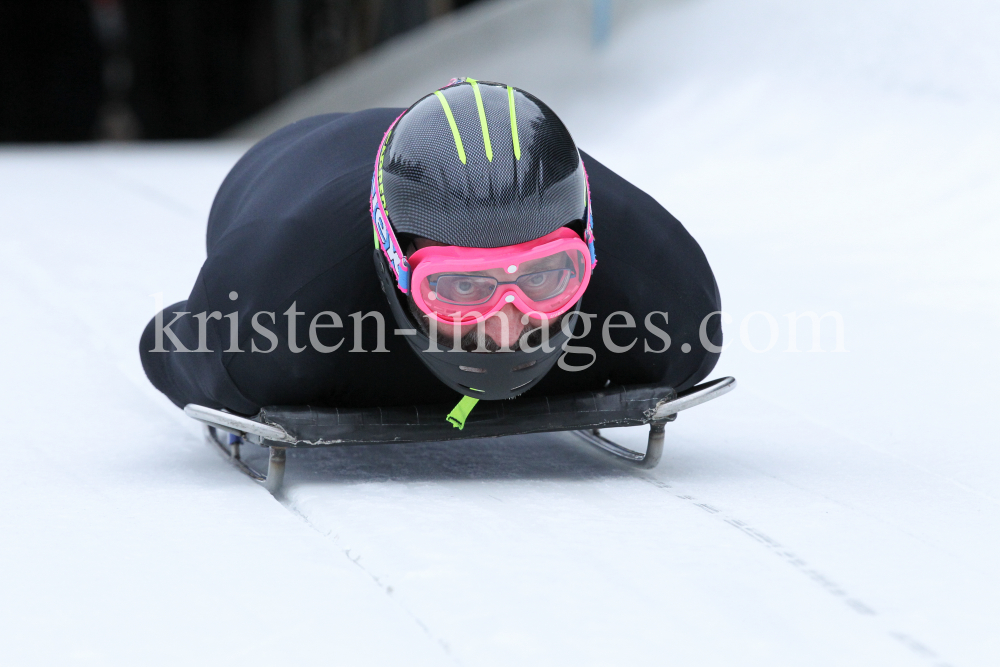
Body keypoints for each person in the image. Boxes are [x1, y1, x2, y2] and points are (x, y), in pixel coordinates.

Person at [140, 79, 723, 422]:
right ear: (397, 263)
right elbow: (164, 339)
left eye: (547, 279)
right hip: (292, 162)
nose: (506, 331)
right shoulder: (271, 315)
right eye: (463, 287)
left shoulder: (673, 311)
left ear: (588, 249)